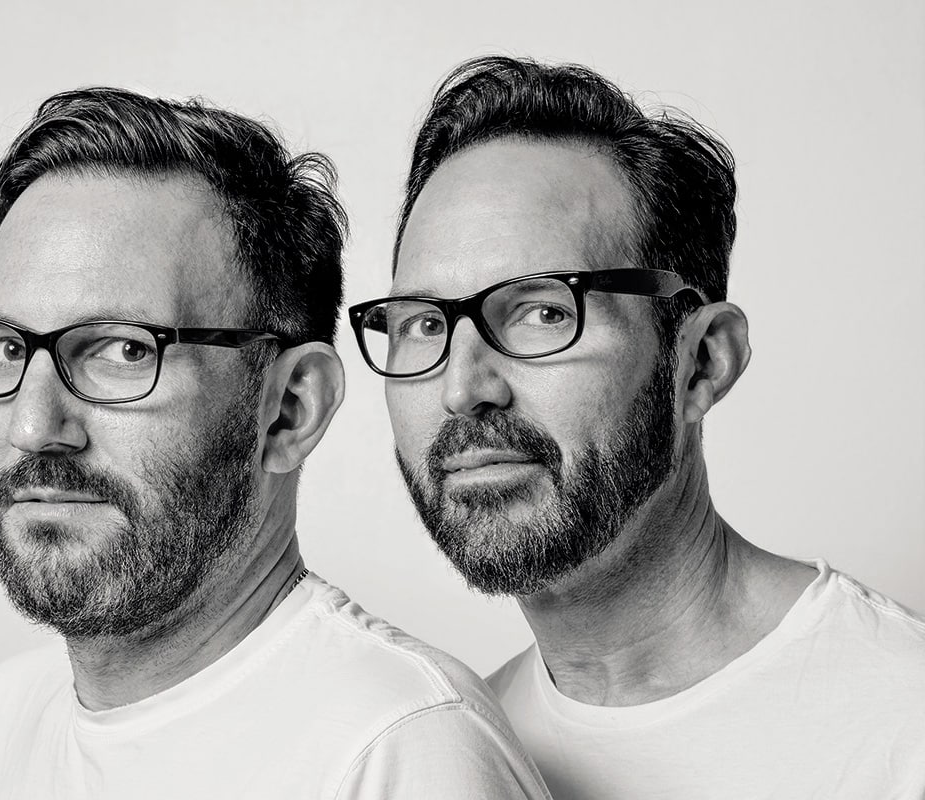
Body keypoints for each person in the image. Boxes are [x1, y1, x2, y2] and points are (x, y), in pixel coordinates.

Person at [0, 86, 550, 799]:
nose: (33, 427)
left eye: (124, 350)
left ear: (289, 409)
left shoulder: (399, 753)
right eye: (5, 349)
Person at [349, 56, 925, 799]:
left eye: (543, 311)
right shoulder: (443, 757)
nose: (464, 389)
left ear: (702, 361)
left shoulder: (900, 726)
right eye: (425, 324)